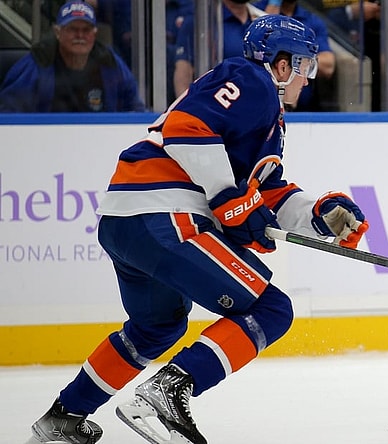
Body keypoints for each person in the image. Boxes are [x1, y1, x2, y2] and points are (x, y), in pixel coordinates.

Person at [26, 14, 368, 444]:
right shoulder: (250, 79)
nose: (308, 78)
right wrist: (228, 198)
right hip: (164, 214)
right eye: (305, 66)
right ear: (281, 66)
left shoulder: (267, 115)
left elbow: (265, 193)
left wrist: (320, 214)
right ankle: (169, 391)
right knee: (271, 311)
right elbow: (185, 128)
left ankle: (64, 417)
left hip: (127, 219)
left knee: (158, 326)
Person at [0, 0, 145, 112]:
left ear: (95, 34)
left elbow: (134, 108)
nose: (80, 35)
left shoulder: (110, 62)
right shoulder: (38, 62)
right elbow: (9, 112)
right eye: (73, 29)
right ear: (57, 32)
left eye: (86, 30)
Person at [254, 0, 337, 110]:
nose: (305, 81)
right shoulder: (254, 12)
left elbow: (328, 65)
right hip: (260, 103)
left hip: (302, 110)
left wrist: (297, 63)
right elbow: (259, 50)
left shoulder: (310, 20)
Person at [173, 0, 266, 98]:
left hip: (258, 104)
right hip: (217, 106)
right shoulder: (200, 21)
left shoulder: (262, 21)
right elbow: (184, 73)